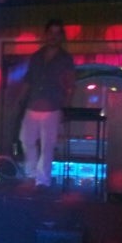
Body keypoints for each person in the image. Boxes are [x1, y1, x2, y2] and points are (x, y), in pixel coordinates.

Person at [18, 19, 75, 188]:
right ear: (46, 35)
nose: (53, 36)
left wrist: (65, 107)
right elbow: (29, 79)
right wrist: (20, 99)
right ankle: (31, 174)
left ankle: (42, 181)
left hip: (53, 106)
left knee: (47, 146)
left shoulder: (66, 59)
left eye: (57, 33)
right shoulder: (36, 56)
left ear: (61, 36)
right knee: (26, 140)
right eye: (51, 33)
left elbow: (71, 85)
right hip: (32, 104)